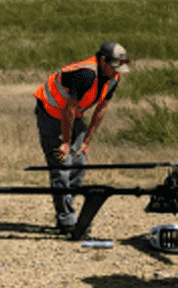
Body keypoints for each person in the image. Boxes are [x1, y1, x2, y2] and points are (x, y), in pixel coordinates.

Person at [33, 41, 131, 235]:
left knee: (78, 163)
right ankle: (66, 221)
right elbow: (68, 108)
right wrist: (66, 143)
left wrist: (86, 141)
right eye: (114, 66)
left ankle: (68, 209)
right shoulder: (86, 74)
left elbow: (101, 109)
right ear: (103, 61)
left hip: (73, 115)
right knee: (62, 166)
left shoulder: (113, 77)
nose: (117, 72)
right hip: (52, 114)